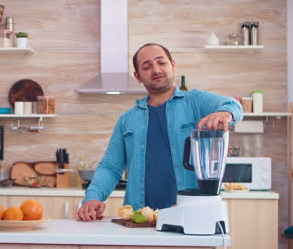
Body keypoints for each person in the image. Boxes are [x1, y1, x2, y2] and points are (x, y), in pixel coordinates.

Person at [76, 43, 242, 221]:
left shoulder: (196, 102)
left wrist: (224, 114)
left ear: (173, 65)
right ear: (138, 76)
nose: (156, 70)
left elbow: (233, 105)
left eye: (161, 62)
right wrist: (93, 197)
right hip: (140, 218)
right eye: (147, 67)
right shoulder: (127, 120)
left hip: (191, 215)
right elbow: (110, 167)